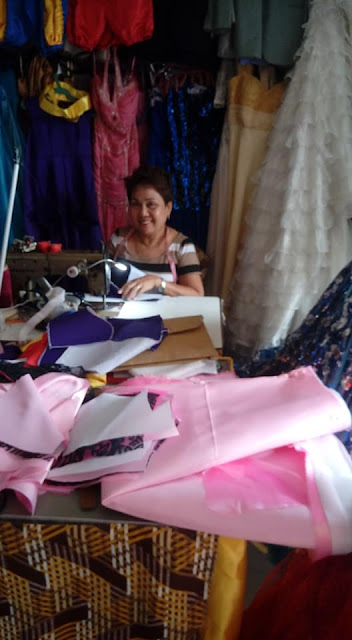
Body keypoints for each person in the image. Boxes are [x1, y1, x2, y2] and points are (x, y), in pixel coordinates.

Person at [106, 165, 204, 299]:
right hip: (120, 318)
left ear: (168, 208)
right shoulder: (118, 239)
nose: (143, 213)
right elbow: (100, 284)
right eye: (135, 204)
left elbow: (197, 295)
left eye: (151, 204)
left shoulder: (181, 247)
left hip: (165, 319)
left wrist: (159, 283)